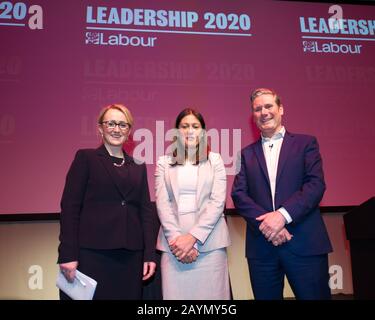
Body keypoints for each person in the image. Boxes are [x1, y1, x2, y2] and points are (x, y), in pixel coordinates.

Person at [231, 88, 333, 300]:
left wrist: (282, 216)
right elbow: (239, 195)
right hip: (262, 248)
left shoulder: (306, 143)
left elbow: (315, 185)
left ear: (281, 109)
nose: (264, 112)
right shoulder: (246, 154)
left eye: (268, 106)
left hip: (305, 244)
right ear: (253, 116)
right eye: (257, 109)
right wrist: (268, 225)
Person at [58, 104, 158, 300]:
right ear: (100, 128)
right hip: (92, 254)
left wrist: (149, 254)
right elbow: (70, 208)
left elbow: (145, 212)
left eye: (122, 124)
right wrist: (67, 254)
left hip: (130, 256)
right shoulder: (86, 158)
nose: (116, 129)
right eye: (111, 123)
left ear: (129, 131)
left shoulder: (138, 165)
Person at [155, 108, 231, 300]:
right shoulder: (164, 162)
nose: (190, 131)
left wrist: (193, 239)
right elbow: (163, 204)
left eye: (195, 126)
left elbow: (217, 202)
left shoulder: (215, 160)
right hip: (174, 248)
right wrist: (178, 242)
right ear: (176, 131)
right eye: (184, 126)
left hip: (210, 246)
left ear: (203, 131)